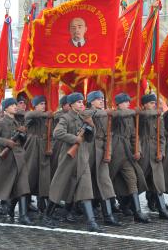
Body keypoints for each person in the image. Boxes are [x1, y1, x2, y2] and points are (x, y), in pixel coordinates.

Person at [44, 92, 102, 232]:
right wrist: (74, 139)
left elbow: (89, 139)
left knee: (86, 189)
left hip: (82, 157)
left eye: (82, 102)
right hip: (68, 158)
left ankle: (92, 223)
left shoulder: (83, 117)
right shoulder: (66, 118)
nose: (82, 104)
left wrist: (91, 127)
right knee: (59, 187)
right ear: (71, 105)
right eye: (78, 102)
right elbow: (57, 133)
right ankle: (47, 216)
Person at [0, 98, 33, 225]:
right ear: (5, 109)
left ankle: (23, 216)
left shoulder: (16, 122)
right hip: (5, 158)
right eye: (12, 105)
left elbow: (21, 142)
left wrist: (22, 135)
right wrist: (6, 142)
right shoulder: (1, 122)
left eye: (16, 104)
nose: (15, 106)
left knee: (22, 186)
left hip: (18, 158)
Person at [109, 93, 150, 223]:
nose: (128, 104)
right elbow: (118, 115)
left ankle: (137, 212)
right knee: (107, 180)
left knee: (133, 180)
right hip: (114, 151)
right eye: (125, 102)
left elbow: (134, 135)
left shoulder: (131, 117)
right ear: (119, 104)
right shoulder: (114, 114)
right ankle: (106, 207)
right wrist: (133, 111)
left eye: (128, 102)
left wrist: (137, 149)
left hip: (126, 153)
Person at [85, 90, 121, 226]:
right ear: (91, 101)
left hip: (100, 149)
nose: (101, 100)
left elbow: (108, 136)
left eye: (102, 98)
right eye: (98, 99)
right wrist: (106, 112)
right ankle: (70, 210)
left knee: (104, 182)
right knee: (84, 182)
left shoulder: (105, 115)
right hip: (88, 149)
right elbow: (89, 114)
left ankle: (108, 215)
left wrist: (108, 152)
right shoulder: (87, 112)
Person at [138, 93, 168, 220]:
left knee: (157, 182)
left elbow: (162, 137)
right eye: (151, 103)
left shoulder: (159, 117)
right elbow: (143, 118)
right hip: (143, 151)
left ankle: (162, 210)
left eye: (154, 103)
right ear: (144, 105)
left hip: (155, 151)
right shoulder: (140, 115)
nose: (154, 105)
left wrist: (162, 152)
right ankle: (127, 204)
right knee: (139, 181)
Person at [23, 95, 53, 213]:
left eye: (44, 104)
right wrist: (46, 114)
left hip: (43, 146)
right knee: (30, 174)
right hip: (32, 147)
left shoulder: (45, 117)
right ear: (34, 106)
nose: (44, 106)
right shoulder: (31, 114)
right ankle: (24, 203)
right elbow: (29, 115)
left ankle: (42, 203)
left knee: (44, 176)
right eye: (41, 104)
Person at [51, 95, 70, 179]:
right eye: (68, 104)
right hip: (58, 143)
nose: (70, 106)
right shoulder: (59, 115)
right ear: (63, 105)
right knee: (56, 163)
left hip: (68, 141)